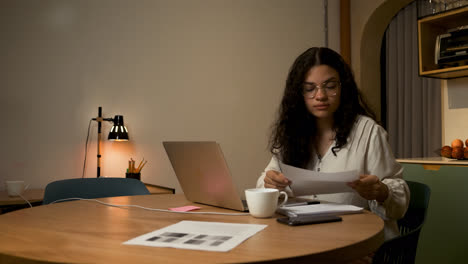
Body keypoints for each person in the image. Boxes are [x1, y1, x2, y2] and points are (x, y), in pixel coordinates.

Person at [256, 47, 409, 241]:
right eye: (309, 89)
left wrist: (381, 191)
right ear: (298, 94)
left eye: (330, 86)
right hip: (304, 240)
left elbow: (400, 199)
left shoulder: (368, 131)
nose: (320, 96)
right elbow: (264, 182)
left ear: (343, 87)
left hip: (358, 243)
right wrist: (270, 183)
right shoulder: (291, 133)